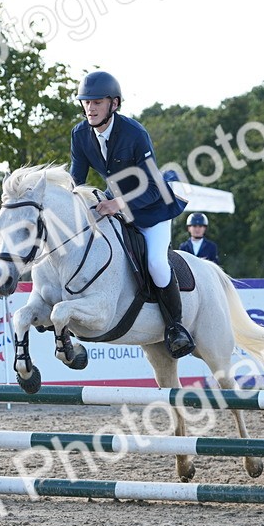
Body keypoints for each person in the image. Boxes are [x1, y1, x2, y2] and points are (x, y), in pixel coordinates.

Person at [69, 70, 192, 358]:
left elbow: (154, 188)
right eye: (86, 102)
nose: (90, 108)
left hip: (152, 209)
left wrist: (119, 204)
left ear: (114, 104)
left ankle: (176, 328)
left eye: (97, 102)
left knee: (156, 263)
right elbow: (76, 182)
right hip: (115, 205)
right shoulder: (80, 134)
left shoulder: (135, 133)